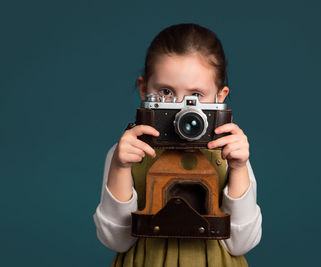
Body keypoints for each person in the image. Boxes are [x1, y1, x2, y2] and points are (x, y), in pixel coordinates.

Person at [93, 23, 262, 267]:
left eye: (196, 95)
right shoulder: (127, 154)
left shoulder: (229, 155)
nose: (183, 108)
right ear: (144, 89)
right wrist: (120, 167)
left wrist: (238, 168)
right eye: (165, 92)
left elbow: (241, 243)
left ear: (220, 97)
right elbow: (116, 241)